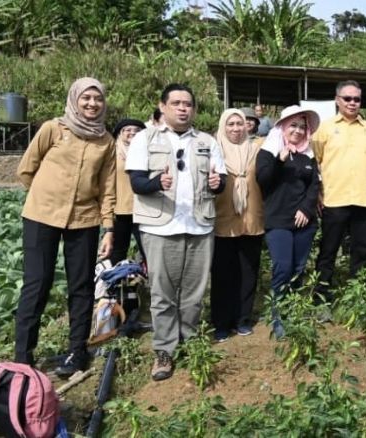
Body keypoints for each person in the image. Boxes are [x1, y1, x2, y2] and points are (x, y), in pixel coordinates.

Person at [14, 77, 116, 377]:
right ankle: (23, 357)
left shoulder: (106, 141)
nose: (92, 104)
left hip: (84, 219)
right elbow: (26, 168)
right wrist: (46, 197)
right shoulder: (53, 128)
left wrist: (109, 228)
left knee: (81, 286)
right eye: (86, 98)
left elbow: (107, 188)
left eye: (97, 99)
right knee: (37, 283)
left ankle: (77, 352)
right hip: (40, 216)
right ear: (74, 99)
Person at [126, 83, 226, 381]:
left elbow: (221, 180)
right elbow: (137, 183)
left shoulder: (207, 141)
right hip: (160, 226)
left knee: (194, 293)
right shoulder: (145, 139)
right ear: (163, 106)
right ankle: (164, 350)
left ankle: (191, 341)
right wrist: (158, 183)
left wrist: (217, 184)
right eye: (177, 103)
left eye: (188, 104)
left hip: (199, 224)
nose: (183, 108)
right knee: (163, 293)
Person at [311, 80, 366, 307]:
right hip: (334, 199)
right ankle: (321, 297)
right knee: (328, 250)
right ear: (337, 100)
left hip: (363, 199)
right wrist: (319, 193)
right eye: (347, 98)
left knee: (362, 250)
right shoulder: (325, 128)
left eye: (357, 99)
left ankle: (357, 295)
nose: (352, 103)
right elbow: (316, 162)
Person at [256, 105, 321, 339]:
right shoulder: (270, 151)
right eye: (293, 125)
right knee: (282, 267)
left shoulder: (308, 154)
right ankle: (278, 315)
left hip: (305, 221)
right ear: (283, 126)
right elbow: (262, 179)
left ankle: (294, 310)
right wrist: (279, 160)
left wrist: (306, 208)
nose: (297, 130)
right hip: (279, 220)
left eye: (302, 127)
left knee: (298, 269)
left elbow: (314, 184)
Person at [210, 109, 265, 341]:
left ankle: (243, 318)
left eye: (240, 124)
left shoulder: (257, 148)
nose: (235, 128)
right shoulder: (214, 149)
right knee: (223, 274)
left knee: (248, 272)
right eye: (230, 124)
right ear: (223, 126)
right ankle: (221, 322)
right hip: (223, 219)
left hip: (252, 218)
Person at [110, 119, 147, 265]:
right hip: (119, 208)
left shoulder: (148, 151)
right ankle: (113, 284)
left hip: (143, 208)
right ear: (120, 133)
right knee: (118, 250)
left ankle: (147, 284)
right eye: (128, 130)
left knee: (147, 250)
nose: (133, 133)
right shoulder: (112, 152)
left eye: (137, 131)